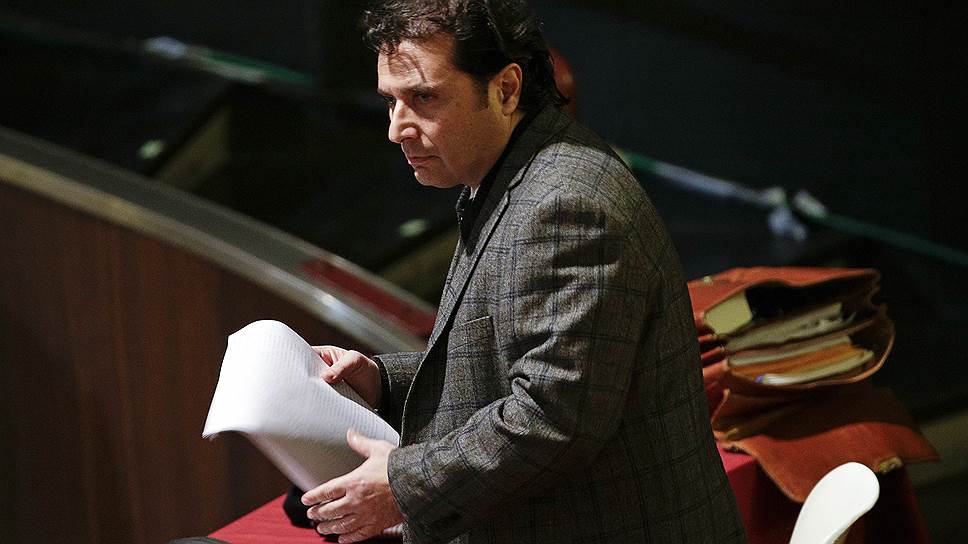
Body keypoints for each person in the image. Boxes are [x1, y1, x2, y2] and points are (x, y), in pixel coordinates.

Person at [299, 1, 747, 542]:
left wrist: (403, 486)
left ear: (506, 90)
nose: (397, 129)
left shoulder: (566, 206)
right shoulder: (516, 175)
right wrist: (382, 381)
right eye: (390, 101)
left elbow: (554, 416)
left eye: (424, 98)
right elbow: (506, 361)